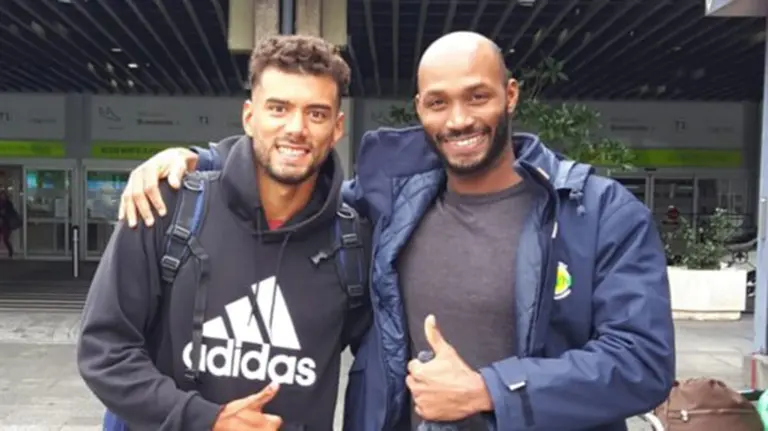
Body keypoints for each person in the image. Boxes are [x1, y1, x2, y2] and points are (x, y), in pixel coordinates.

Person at [118, 31, 675, 431]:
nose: (457, 119)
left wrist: (490, 391)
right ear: (419, 109)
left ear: (510, 95)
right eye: (438, 102)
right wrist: (200, 160)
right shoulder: (388, 201)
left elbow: (642, 363)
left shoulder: (598, 214)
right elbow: (292, 175)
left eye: (477, 96)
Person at [77, 34, 372, 431]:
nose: (296, 128)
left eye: (316, 114)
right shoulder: (167, 207)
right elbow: (104, 350)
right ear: (250, 117)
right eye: (279, 108)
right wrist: (206, 419)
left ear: (337, 128)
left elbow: (379, 366)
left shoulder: (353, 241)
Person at [0, 190, 20, 259]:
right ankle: (10, 252)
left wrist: (5, 213)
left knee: (5, 239)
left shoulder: (9, 204)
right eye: (2, 195)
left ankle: (10, 252)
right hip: (1, 223)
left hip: (6, 224)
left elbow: (10, 212)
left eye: (4, 195)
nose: (3, 196)